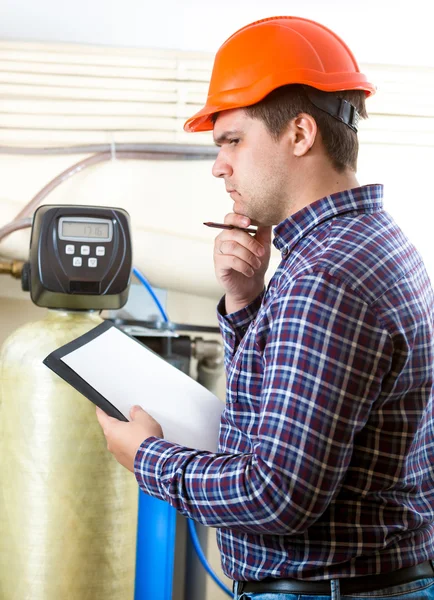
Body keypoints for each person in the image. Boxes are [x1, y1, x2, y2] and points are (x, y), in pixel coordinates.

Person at [96, 16, 434, 600]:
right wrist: (246, 299)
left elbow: (276, 494)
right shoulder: (361, 243)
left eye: (232, 140)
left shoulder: (327, 276)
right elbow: (284, 417)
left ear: (300, 134)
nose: (218, 164)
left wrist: (145, 458)